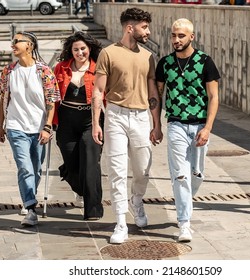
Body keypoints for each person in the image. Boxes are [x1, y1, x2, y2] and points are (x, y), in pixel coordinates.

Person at [91, 7, 163, 244]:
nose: (148, 31)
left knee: (143, 168)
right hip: (116, 116)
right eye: (144, 27)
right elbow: (98, 91)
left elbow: (153, 91)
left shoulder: (148, 56)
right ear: (130, 28)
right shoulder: (108, 53)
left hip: (142, 116)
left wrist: (156, 123)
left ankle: (138, 200)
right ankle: (121, 221)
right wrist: (96, 124)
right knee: (117, 170)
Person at [155, 18, 220, 242]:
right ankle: (184, 223)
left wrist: (208, 128)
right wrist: (157, 125)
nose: (176, 40)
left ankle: (185, 202)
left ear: (191, 37)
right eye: (173, 35)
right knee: (180, 175)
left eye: (181, 35)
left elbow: (213, 97)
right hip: (175, 124)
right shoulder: (165, 63)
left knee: (197, 174)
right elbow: (158, 97)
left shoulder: (205, 62)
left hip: (201, 125)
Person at [0, 31, 59, 226]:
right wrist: (1, 125)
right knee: (25, 167)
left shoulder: (44, 71)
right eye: (12, 41)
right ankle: (31, 208)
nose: (12, 45)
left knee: (36, 169)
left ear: (29, 46)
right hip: (16, 126)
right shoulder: (8, 71)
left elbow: (52, 101)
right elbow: (3, 99)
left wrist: (47, 127)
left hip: (39, 127)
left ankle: (28, 197)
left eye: (17, 42)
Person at [53, 31, 104, 220]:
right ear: (70, 50)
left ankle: (93, 209)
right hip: (66, 119)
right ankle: (80, 187)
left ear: (90, 49)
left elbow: (105, 96)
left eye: (83, 48)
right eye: (76, 49)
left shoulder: (98, 69)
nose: (80, 52)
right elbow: (51, 95)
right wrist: (49, 122)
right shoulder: (60, 68)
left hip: (90, 120)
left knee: (90, 163)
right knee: (72, 164)